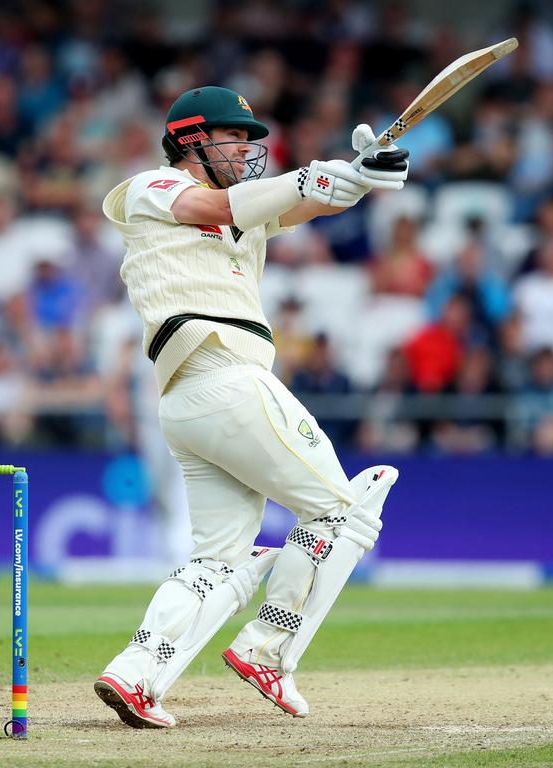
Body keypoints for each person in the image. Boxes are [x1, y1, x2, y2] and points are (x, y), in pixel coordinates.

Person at [96, 86, 409, 728]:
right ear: (191, 139)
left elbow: (295, 206)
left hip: (192, 401)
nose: (247, 148)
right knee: (342, 514)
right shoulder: (147, 188)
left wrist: (356, 178)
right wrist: (316, 177)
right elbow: (212, 203)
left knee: (223, 558)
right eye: (233, 137)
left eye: (250, 138)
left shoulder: (246, 211)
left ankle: (136, 675)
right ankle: (269, 649)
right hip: (222, 373)